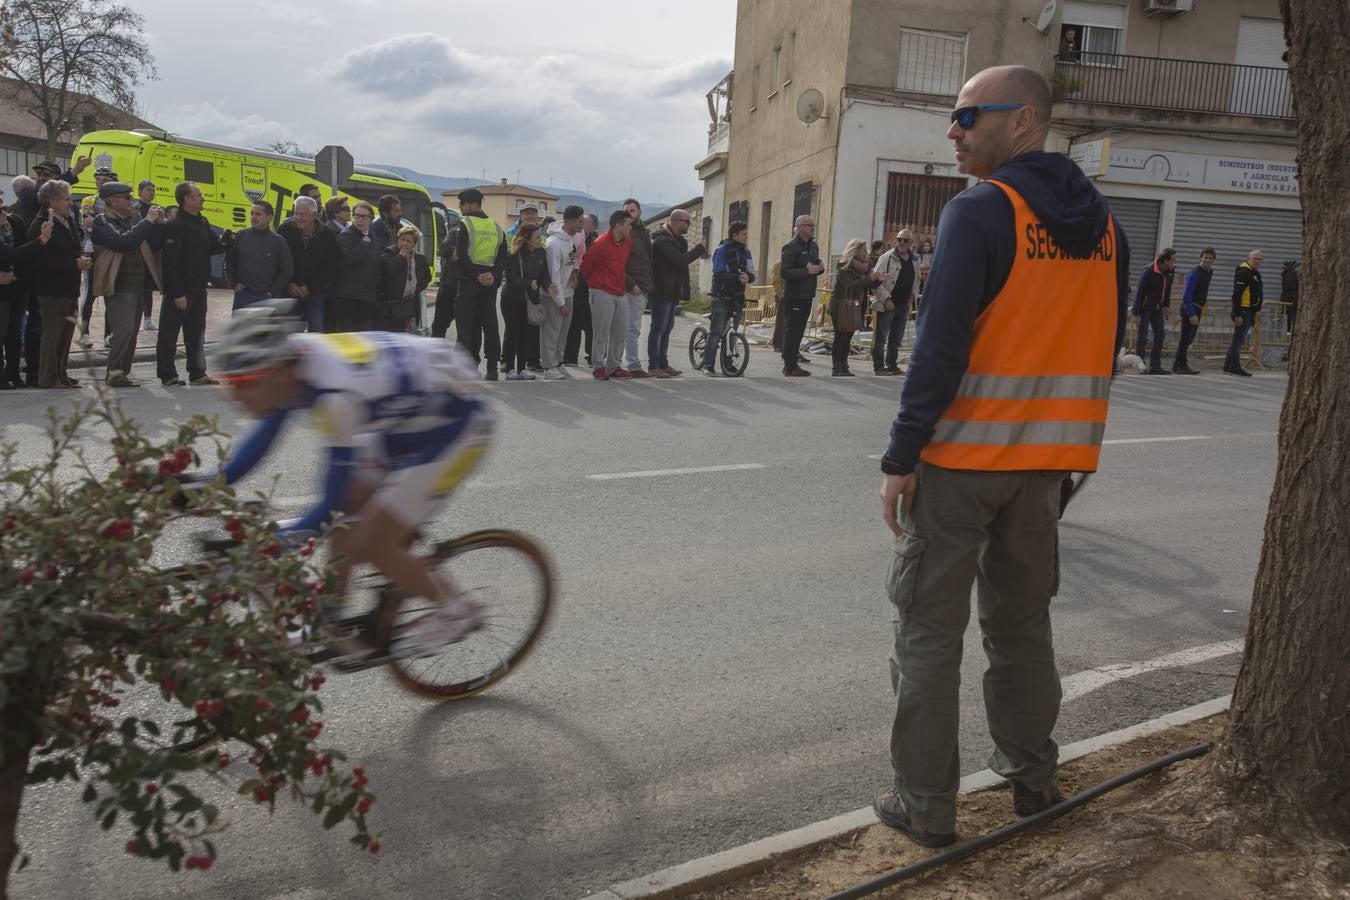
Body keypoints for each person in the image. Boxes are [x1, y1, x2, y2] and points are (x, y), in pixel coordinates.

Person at [875, 65, 1129, 848]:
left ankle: (927, 807)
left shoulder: (983, 212)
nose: (952, 130)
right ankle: (1033, 778)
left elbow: (940, 347)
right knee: (1022, 627)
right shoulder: (1108, 229)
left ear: (1021, 122)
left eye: (965, 116)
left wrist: (901, 455)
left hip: (960, 465)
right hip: (1046, 469)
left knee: (929, 633)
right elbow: (1106, 348)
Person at [203, 307, 495, 660]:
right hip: (403, 419)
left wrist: (264, 546)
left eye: (242, 385)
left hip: (458, 428)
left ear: (275, 373)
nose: (235, 397)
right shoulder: (291, 362)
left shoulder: (335, 397)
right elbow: (261, 440)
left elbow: (329, 508)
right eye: (229, 386)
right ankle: (330, 615)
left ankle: (455, 611)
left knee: (371, 539)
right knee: (347, 519)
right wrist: (199, 484)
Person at [89, 181, 165, 386]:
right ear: (112, 201)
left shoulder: (134, 220)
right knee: (123, 330)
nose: (131, 201)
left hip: (137, 284)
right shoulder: (102, 221)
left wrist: (158, 224)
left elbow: (154, 244)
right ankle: (114, 374)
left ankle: (123, 372)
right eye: (127, 197)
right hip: (119, 284)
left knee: (131, 331)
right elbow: (123, 243)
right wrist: (147, 222)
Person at [158, 181, 225, 386]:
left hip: (199, 288)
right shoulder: (174, 226)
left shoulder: (202, 222)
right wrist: (178, 294)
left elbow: (214, 247)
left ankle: (197, 372)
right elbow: (170, 263)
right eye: (198, 195)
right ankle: (168, 374)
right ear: (187, 199)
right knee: (169, 335)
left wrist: (228, 240)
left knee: (196, 335)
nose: (202, 198)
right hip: (180, 291)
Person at [27, 179, 91, 388]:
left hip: (69, 287)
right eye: (65, 199)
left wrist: (81, 259)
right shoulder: (42, 223)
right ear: (52, 201)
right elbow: (42, 260)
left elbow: (73, 245)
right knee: (51, 335)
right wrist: (74, 263)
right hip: (51, 290)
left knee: (65, 335)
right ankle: (49, 377)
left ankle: (61, 374)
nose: (69, 203)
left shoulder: (68, 219)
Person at [451, 188, 508, 380]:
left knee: (466, 328)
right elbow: (503, 258)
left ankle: (465, 369)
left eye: (461, 203)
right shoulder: (496, 226)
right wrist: (491, 275)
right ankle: (492, 369)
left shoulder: (465, 223)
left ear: (473, 204)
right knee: (490, 327)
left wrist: (477, 275)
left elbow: (461, 255)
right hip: (489, 284)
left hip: (469, 282)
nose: (459, 207)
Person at [648, 207, 706, 377]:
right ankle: (653, 366)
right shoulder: (662, 241)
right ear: (675, 221)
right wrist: (700, 249)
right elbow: (680, 261)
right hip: (660, 291)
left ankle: (663, 364)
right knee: (658, 329)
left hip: (671, 292)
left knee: (666, 329)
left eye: (689, 221)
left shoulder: (678, 241)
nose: (688, 224)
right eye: (686, 221)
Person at [578, 210, 634, 380]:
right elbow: (586, 268)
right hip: (601, 291)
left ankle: (614, 365)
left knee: (621, 330)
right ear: (618, 226)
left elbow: (623, 265)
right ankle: (598, 366)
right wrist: (596, 285)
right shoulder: (600, 244)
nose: (631, 228)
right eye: (628, 224)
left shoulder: (627, 243)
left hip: (620, 291)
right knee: (601, 331)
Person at [0, 211, 52, 389]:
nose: (3, 215)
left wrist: (20, 277)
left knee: (15, 332)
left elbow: (23, 252)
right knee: (2, 330)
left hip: (18, 285)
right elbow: (7, 253)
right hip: (1, 288)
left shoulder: (15, 221)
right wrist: (40, 240)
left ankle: (13, 374)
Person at [278, 196, 339, 333]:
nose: (298, 217)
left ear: (314, 215)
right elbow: (278, 260)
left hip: (314, 292)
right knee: (287, 332)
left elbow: (330, 266)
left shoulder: (328, 235)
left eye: (302, 214)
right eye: (296, 213)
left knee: (316, 330)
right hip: (287, 290)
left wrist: (309, 287)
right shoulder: (284, 230)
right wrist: (289, 284)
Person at [701, 221, 753, 376]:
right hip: (721, 296)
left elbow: (751, 272)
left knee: (732, 333)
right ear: (734, 235)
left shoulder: (746, 253)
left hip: (737, 297)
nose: (746, 237)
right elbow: (719, 273)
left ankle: (727, 364)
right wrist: (737, 277)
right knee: (716, 332)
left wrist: (747, 276)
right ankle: (708, 364)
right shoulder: (721, 250)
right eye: (743, 234)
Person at [542, 205, 585, 380]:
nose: (583, 225)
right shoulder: (554, 244)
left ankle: (558, 361)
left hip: (568, 292)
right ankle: (548, 366)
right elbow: (554, 276)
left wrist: (575, 271)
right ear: (571, 221)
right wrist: (560, 303)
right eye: (581, 221)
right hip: (553, 295)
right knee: (551, 330)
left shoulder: (575, 236)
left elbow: (575, 258)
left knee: (563, 331)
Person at [502, 222, 549, 380]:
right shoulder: (515, 254)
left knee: (526, 334)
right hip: (512, 299)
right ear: (527, 239)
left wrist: (549, 286)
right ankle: (509, 368)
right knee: (513, 333)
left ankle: (522, 368)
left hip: (531, 300)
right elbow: (511, 279)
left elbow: (544, 275)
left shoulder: (542, 252)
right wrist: (529, 283)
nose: (540, 239)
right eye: (537, 237)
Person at [228, 200, 294, 310]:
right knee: (242, 328)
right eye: (252, 213)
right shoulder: (241, 236)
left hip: (266, 298)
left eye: (258, 214)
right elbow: (229, 262)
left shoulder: (278, 241)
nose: (253, 217)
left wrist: (273, 292)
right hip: (242, 296)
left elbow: (288, 269)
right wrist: (234, 283)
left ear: (269, 218)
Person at [871, 229, 919, 376]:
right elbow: (875, 281)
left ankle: (891, 364)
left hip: (903, 304)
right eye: (899, 239)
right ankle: (879, 366)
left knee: (896, 338)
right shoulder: (887, 257)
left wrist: (913, 294)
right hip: (888, 304)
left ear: (911, 243)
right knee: (881, 337)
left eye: (905, 240)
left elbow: (917, 280)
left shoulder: (915, 260)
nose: (901, 243)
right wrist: (886, 299)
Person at [779, 216, 823, 376]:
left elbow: (815, 263)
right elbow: (784, 271)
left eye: (813, 225)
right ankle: (789, 366)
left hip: (808, 294)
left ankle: (792, 360)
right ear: (799, 227)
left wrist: (820, 267)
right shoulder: (791, 247)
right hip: (794, 295)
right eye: (809, 225)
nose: (813, 228)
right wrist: (806, 272)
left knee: (799, 330)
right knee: (792, 330)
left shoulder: (813, 246)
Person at [332, 201, 382, 333]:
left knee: (362, 334)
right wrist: (364, 244)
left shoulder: (373, 236)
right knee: (346, 334)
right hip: (348, 296)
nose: (359, 219)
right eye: (356, 215)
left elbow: (377, 261)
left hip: (366, 295)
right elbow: (350, 258)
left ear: (371, 219)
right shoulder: (346, 235)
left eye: (363, 216)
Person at [620, 199, 654, 377]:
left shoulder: (643, 231)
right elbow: (618, 263)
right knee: (631, 328)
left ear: (639, 211)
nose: (629, 214)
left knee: (633, 327)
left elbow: (648, 259)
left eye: (632, 210)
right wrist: (631, 284)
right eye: (626, 211)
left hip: (643, 285)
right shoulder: (625, 233)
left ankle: (621, 362)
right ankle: (633, 364)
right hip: (632, 287)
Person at [374, 225, 431, 332]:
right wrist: (401, 257)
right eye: (402, 240)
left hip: (408, 306)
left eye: (409, 241)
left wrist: (416, 289)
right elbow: (389, 270)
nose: (405, 243)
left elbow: (426, 278)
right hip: (389, 308)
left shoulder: (420, 259)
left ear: (414, 244)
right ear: (398, 240)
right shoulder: (389, 253)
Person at [829, 239, 870, 376]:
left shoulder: (864, 267)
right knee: (840, 336)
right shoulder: (843, 266)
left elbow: (866, 285)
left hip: (855, 307)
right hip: (841, 306)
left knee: (848, 337)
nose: (866, 253)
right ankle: (837, 367)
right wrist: (869, 279)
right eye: (864, 250)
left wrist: (877, 279)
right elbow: (850, 286)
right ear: (855, 251)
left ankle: (844, 365)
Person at [1132, 247, 1176, 374]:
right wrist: (1136, 313)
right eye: (1172, 260)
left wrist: (1166, 304)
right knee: (1143, 336)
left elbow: (1167, 289)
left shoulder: (1170, 270)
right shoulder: (1148, 271)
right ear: (1165, 261)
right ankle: (1140, 365)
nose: (1175, 262)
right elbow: (1139, 293)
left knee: (1160, 335)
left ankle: (1155, 366)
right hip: (1144, 309)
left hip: (1158, 309)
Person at [563, 213, 598, 367]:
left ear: (594, 227)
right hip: (574, 287)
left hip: (590, 289)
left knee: (592, 325)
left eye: (585, 223)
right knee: (573, 324)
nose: (581, 225)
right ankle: (570, 356)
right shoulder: (573, 239)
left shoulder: (597, 243)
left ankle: (593, 356)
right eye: (580, 221)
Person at [1173, 247, 1214, 375]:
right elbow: (1186, 296)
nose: (1207, 260)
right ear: (1200, 258)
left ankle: (1177, 365)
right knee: (1185, 339)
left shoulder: (1209, 272)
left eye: (1210, 258)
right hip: (1189, 308)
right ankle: (1181, 365)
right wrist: (1191, 314)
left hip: (1198, 308)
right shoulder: (1194, 273)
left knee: (1189, 339)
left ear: (1214, 260)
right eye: (1205, 257)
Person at [1226, 249, 1263, 377]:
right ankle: (1234, 368)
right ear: (1249, 258)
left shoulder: (1254, 273)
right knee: (1238, 341)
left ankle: (1228, 366)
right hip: (1243, 310)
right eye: (1255, 258)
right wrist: (1238, 314)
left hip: (1250, 311)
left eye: (1260, 259)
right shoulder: (1243, 272)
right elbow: (1237, 295)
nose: (1257, 261)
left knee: (1237, 340)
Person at [430, 214, 460, 340]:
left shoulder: (454, 233)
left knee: (463, 329)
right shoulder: (454, 233)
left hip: (455, 287)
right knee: (439, 327)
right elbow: (445, 249)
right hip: (451, 285)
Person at [135, 180, 159, 332]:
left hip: (152, 251)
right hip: (138, 250)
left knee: (149, 286)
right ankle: (137, 316)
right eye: (149, 190)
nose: (152, 192)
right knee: (138, 285)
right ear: (140, 191)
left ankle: (148, 318)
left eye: (153, 190)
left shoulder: (156, 209)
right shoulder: (135, 208)